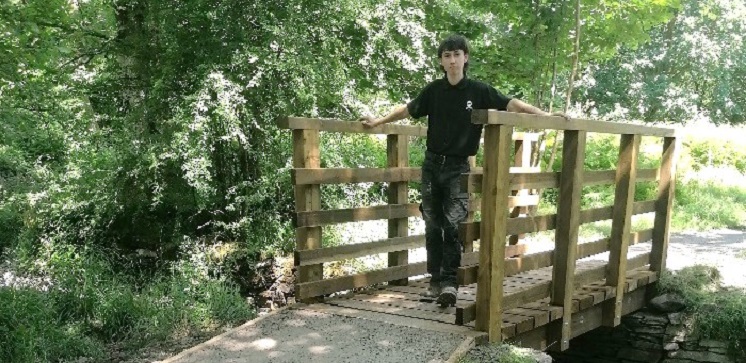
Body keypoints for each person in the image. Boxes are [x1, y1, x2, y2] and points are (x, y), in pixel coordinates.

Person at [359, 34, 567, 307]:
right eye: (447, 56)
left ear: (465, 58)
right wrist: (377, 122)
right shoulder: (434, 91)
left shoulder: (478, 91)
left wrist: (545, 117)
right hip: (433, 165)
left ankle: (449, 284)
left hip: (458, 167)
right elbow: (408, 110)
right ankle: (435, 282)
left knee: (452, 225)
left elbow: (511, 104)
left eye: (457, 54)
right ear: (442, 62)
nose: (453, 60)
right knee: (432, 225)